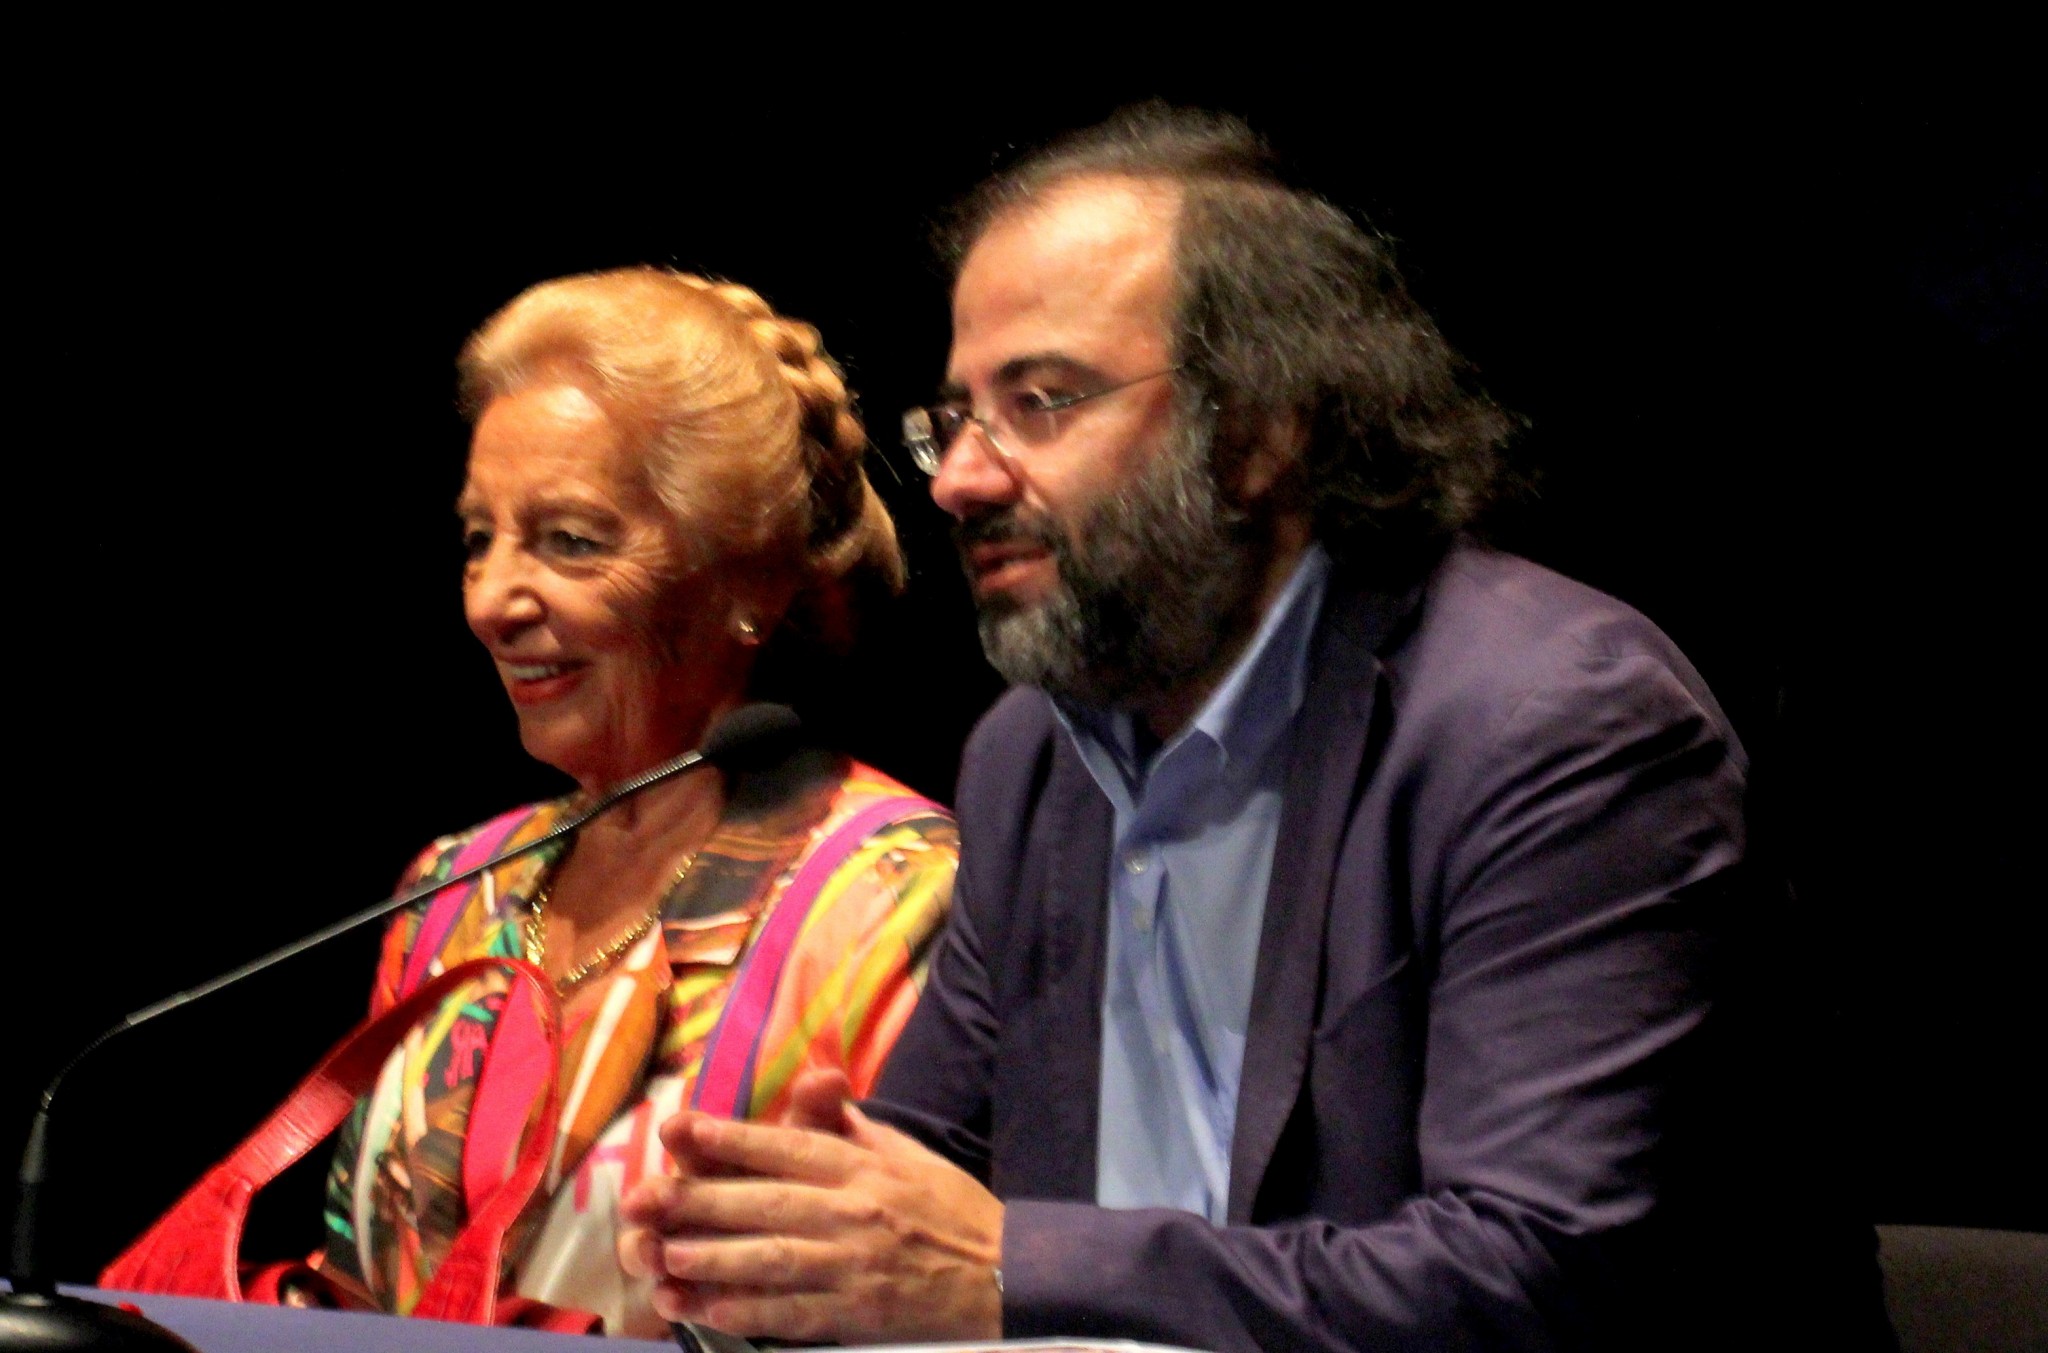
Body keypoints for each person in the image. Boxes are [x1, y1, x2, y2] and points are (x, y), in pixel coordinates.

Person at [618, 109, 1887, 1351]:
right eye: (954, 417)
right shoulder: (1030, 758)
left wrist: (1015, 1264)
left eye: (1043, 401)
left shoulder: (1549, 728)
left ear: (1262, 432)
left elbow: (1533, 1274)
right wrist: (764, 1254)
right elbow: (922, 1176)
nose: (959, 477)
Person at [307, 268, 958, 1336]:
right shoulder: (448, 892)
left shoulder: (896, 903)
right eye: (480, 538)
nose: (492, 602)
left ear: (746, 578)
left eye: (569, 540)